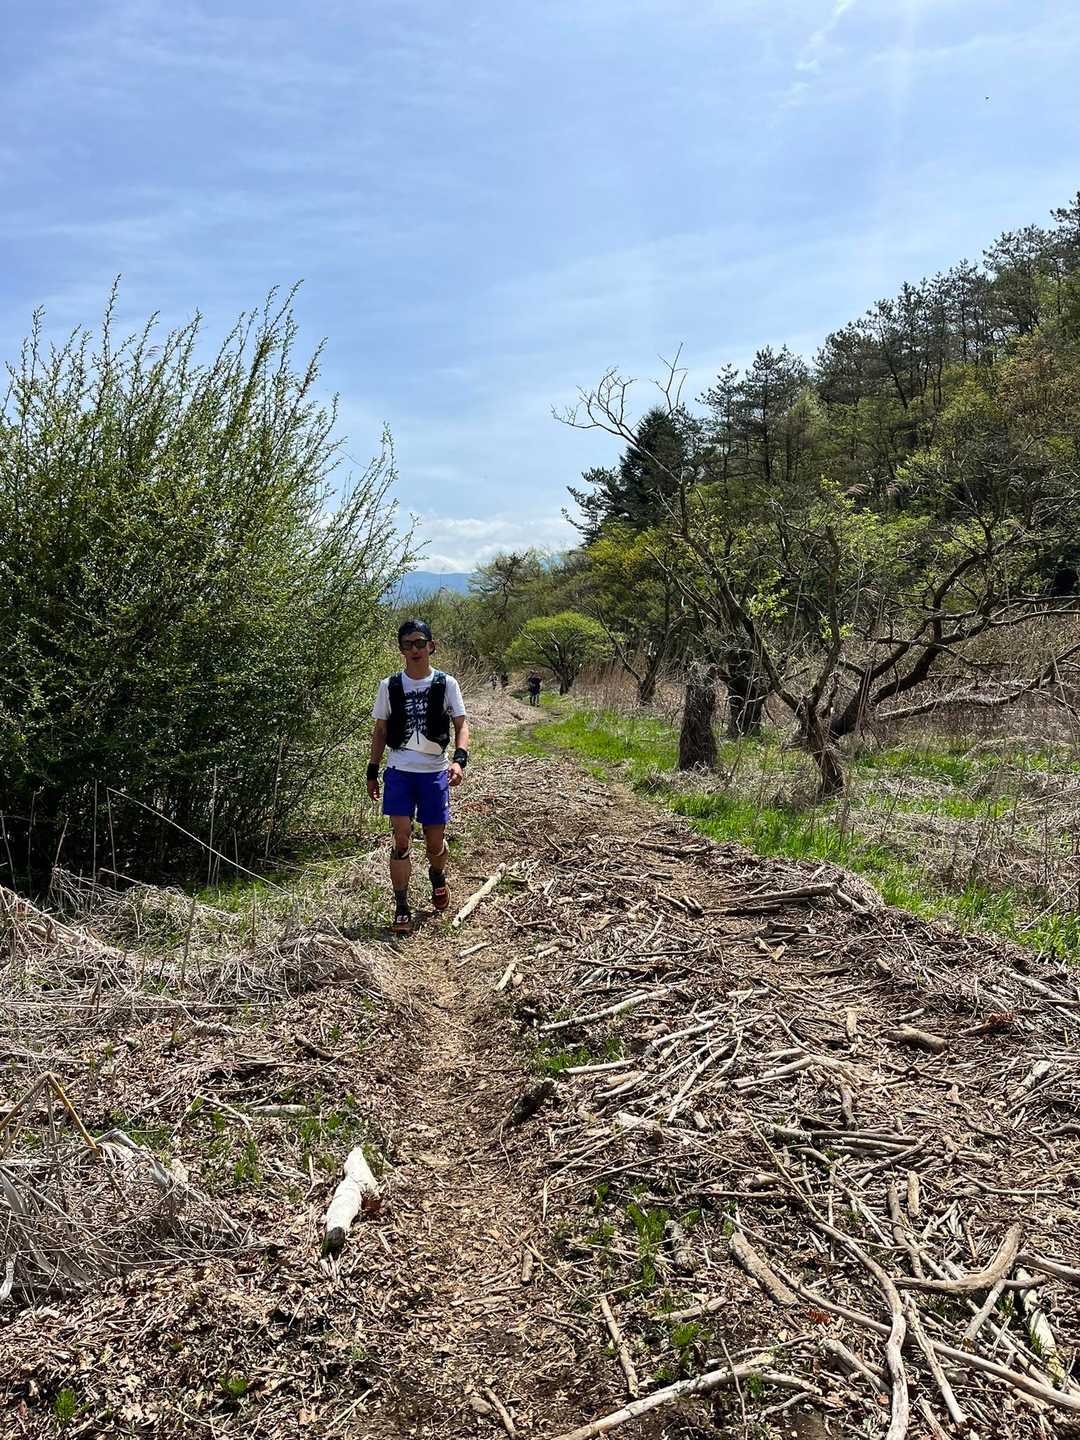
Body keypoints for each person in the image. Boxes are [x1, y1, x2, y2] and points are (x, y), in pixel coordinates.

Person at [366, 619, 469, 934]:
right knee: (401, 838)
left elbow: (461, 724)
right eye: (408, 644)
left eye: (420, 643)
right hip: (399, 772)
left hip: (434, 772)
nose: (415, 649)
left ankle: (437, 876)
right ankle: (401, 906)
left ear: (431, 646)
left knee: (435, 841)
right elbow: (380, 730)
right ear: (401, 649)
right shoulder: (389, 686)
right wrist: (372, 770)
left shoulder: (446, 684)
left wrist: (459, 761)